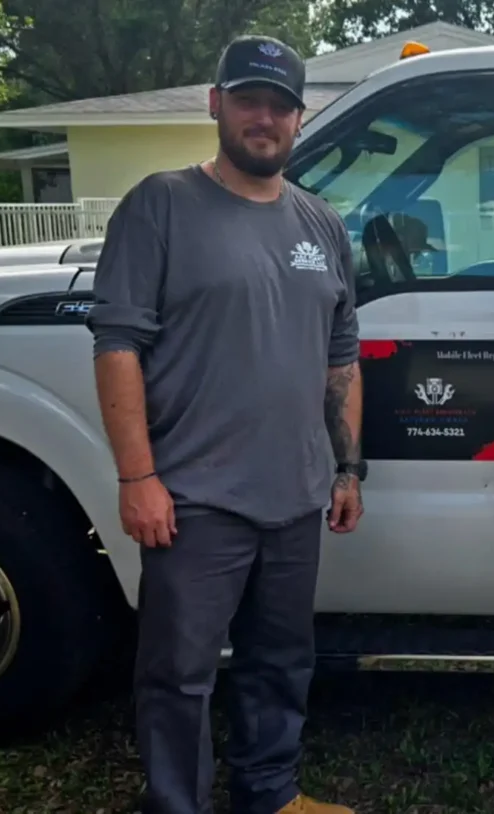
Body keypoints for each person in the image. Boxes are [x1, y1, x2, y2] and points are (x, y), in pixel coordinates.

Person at [85, 33, 365, 814]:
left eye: (280, 106)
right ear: (217, 105)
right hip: (194, 497)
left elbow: (341, 358)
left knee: (282, 661)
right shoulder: (161, 205)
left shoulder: (322, 225)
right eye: (249, 100)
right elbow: (118, 347)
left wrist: (346, 469)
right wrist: (138, 476)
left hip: (296, 493)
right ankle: (179, 804)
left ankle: (270, 796)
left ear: (299, 120)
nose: (264, 118)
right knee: (178, 674)